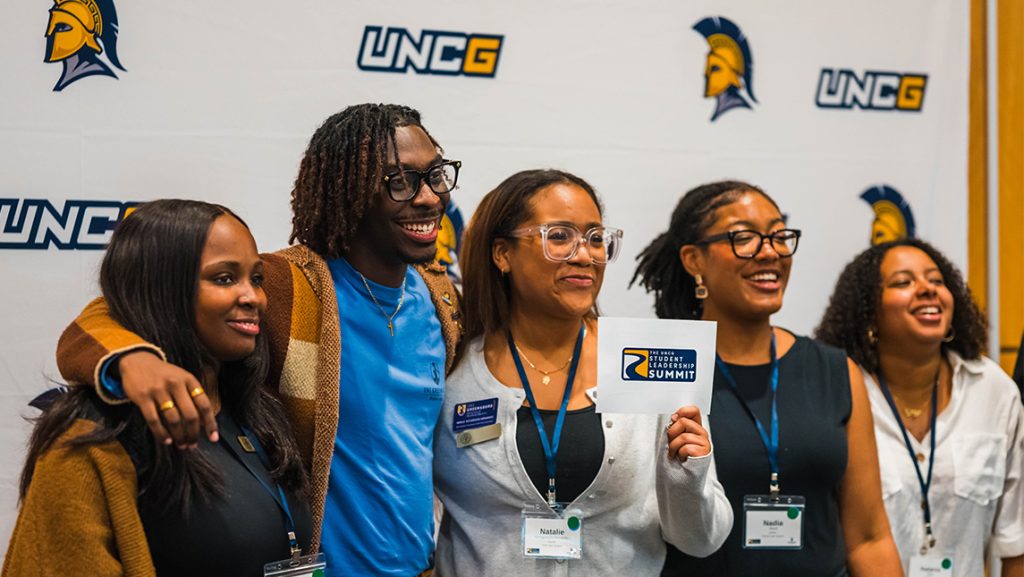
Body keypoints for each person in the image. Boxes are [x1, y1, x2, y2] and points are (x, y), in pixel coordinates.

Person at [54, 104, 463, 577]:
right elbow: (109, 315)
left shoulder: (441, 299)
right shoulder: (286, 286)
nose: (429, 197)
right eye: (400, 181)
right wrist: (134, 361)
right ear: (348, 189)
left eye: (436, 175)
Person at [432, 169, 732, 576]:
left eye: (595, 238)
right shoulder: (451, 369)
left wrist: (688, 475)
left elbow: (701, 540)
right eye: (559, 237)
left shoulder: (653, 358)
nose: (585, 255)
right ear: (502, 253)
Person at [4, 200, 312, 576]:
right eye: (224, 278)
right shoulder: (96, 434)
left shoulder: (256, 410)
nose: (254, 297)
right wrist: (133, 360)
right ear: (160, 290)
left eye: (257, 279)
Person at [631, 180, 902, 576]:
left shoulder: (834, 370)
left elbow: (869, 537)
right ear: (693, 260)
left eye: (779, 236)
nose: (770, 251)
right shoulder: (659, 367)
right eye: (744, 238)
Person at [815, 238, 1023, 577]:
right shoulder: (840, 391)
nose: (927, 289)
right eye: (903, 282)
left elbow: (1017, 542)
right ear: (868, 313)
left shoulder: (992, 390)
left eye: (936, 280)